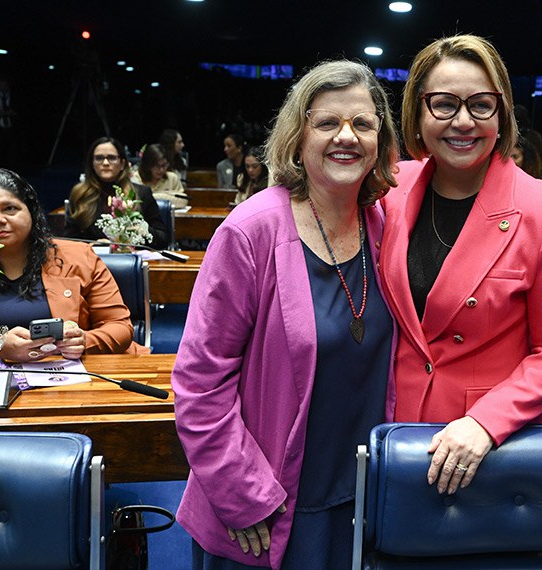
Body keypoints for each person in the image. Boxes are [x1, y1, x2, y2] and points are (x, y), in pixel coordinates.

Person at [171, 60, 399, 569]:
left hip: (361, 497)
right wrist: (241, 493)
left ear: (380, 142)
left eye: (363, 124)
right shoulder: (250, 231)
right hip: (265, 505)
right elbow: (198, 382)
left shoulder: (386, 226)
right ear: (298, 138)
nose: (347, 136)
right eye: (327, 123)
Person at [380, 34, 542, 496]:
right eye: (443, 104)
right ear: (417, 111)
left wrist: (485, 423)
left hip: (484, 445)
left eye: (480, 105)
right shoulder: (389, 187)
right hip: (389, 425)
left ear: (502, 113)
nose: (462, 121)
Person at [0, 168, 143, 362]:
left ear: (31, 213)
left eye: (10, 209)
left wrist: (85, 340)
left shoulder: (79, 257)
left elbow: (119, 327)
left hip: (71, 377)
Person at [64, 137, 169, 250]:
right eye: (99, 158)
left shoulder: (142, 193)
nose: (105, 163)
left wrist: (140, 231)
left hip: (131, 262)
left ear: (122, 164)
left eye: (112, 158)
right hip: (92, 261)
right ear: (92, 164)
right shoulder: (80, 194)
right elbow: (69, 242)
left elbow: (163, 240)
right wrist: (92, 246)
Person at [132, 143, 189, 209]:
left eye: (164, 165)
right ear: (147, 165)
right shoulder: (135, 178)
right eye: (157, 166)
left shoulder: (172, 178)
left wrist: (150, 197)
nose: (161, 170)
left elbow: (183, 200)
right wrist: (167, 196)